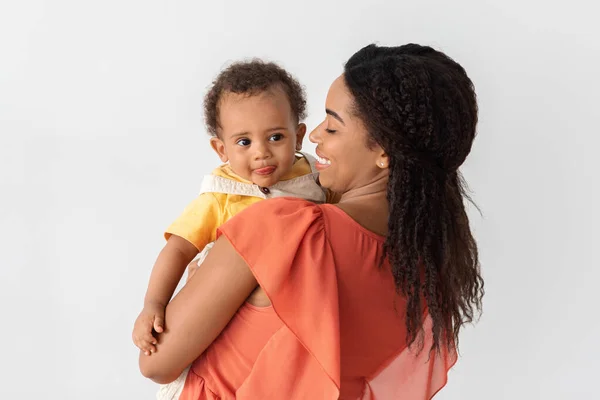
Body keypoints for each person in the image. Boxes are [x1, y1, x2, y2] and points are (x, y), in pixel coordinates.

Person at [138, 43, 484, 399]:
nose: (314, 135)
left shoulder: (284, 227)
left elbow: (155, 364)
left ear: (383, 151)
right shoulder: (424, 264)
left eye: (333, 127)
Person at [132, 60, 336, 359]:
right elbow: (177, 250)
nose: (261, 152)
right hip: (237, 321)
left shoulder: (318, 175)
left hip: (303, 319)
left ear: (299, 134)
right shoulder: (221, 197)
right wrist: (153, 304)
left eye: (276, 137)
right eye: (244, 142)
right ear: (221, 150)